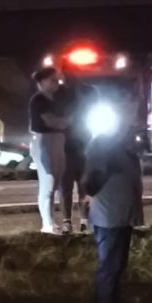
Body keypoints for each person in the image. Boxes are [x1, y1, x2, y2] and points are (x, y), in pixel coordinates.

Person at [82, 91, 144, 303]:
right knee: (109, 268)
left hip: (122, 215)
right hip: (109, 216)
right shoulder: (102, 144)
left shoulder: (123, 146)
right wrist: (108, 170)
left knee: (117, 268)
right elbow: (91, 183)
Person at [29, 67, 71, 235]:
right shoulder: (38, 100)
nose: (56, 84)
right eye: (52, 80)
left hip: (58, 139)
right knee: (48, 181)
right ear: (42, 82)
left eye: (57, 80)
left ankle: (51, 221)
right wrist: (64, 121)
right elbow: (52, 121)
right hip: (44, 140)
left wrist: (63, 122)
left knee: (57, 180)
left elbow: (67, 120)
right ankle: (47, 223)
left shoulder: (57, 98)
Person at [56, 80, 95, 233]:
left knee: (83, 186)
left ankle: (84, 220)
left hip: (83, 146)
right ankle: (68, 221)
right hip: (67, 147)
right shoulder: (61, 96)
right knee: (66, 187)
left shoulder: (88, 92)